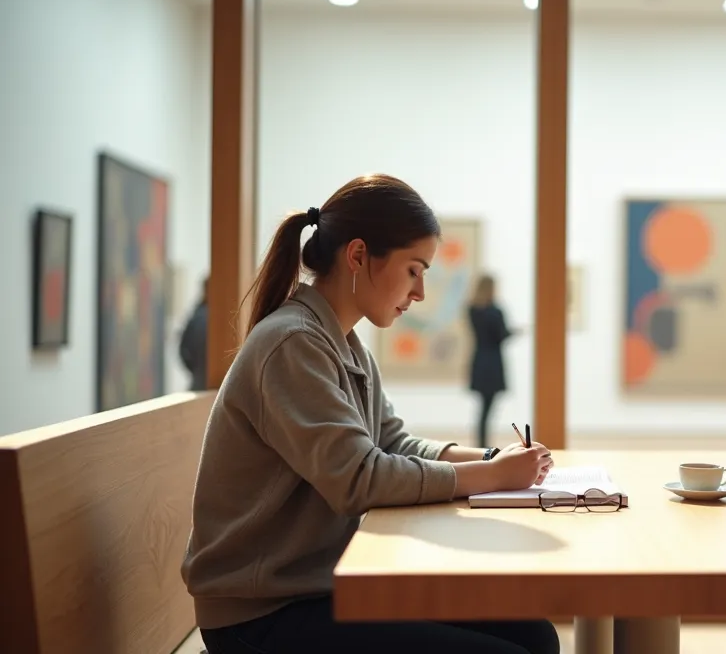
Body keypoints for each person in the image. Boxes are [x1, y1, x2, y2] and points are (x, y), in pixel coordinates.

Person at [179, 174, 560, 654]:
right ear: (358, 256)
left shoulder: (344, 343)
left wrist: (489, 458)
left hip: (319, 587)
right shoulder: (293, 343)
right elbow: (359, 478)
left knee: (535, 635)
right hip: (260, 614)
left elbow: (391, 442)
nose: (420, 293)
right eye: (414, 270)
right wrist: (492, 476)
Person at [468, 275, 516, 447]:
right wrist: (514, 332)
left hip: (479, 360)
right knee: (487, 408)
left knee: (483, 408)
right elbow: (501, 335)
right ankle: (483, 444)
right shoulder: (495, 311)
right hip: (493, 363)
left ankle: (481, 443)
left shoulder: (472, 310)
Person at [178, 275, 209, 391]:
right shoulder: (201, 317)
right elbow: (184, 350)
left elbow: (183, 350)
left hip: (199, 382)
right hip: (204, 383)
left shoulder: (197, 316)